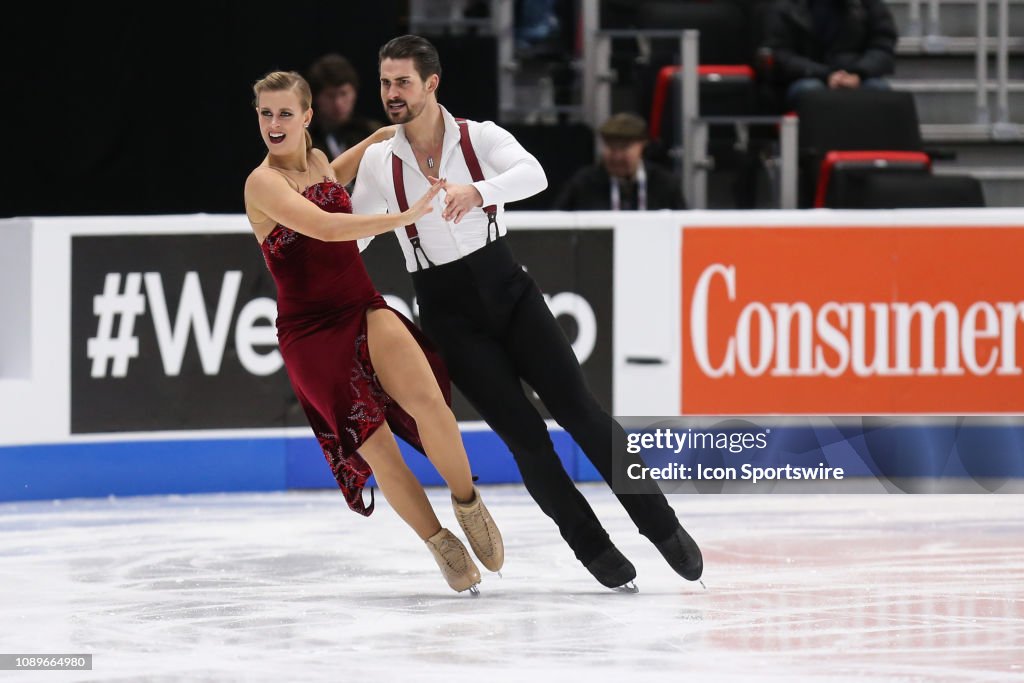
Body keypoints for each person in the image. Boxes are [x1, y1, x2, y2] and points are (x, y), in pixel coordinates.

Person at [352, 35, 703, 592]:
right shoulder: (378, 162)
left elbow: (533, 174)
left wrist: (480, 192)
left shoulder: (478, 137)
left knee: (583, 414)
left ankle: (662, 527)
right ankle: (593, 548)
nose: (392, 93)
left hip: (510, 293)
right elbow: (354, 236)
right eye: (385, 82)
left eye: (402, 82)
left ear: (432, 83)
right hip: (449, 315)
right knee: (527, 440)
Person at [243, 70, 503, 595]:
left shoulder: (316, 162)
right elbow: (325, 224)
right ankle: (439, 542)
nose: (275, 123)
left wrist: (375, 139)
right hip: (310, 334)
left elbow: (328, 182)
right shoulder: (260, 183)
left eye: (285, 113)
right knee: (378, 448)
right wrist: (401, 216)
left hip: (360, 306)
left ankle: (468, 502)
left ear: (307, 118)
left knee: (429, 401)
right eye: (266, 113)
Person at [765, 0, 898, 107]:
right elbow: (780, 53)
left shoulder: (867, 5)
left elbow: (883, 46)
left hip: (859, 77)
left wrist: (858, 74)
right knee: (811, 91)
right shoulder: (786, 6)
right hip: (807, 78)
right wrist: (826, 75)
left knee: (877, 90)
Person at [554, 112, 687, 211]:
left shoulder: (663, 184)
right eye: (610, 148)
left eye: (624, 148)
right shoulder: (584, 183)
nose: (616, 157)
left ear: (642, 145)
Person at [306, 54, 385, 161]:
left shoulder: (372, 133)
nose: (338, 103)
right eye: (330, 96)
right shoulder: (304, 139)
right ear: (315, 97)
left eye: (343, 94)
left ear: (354, 93)